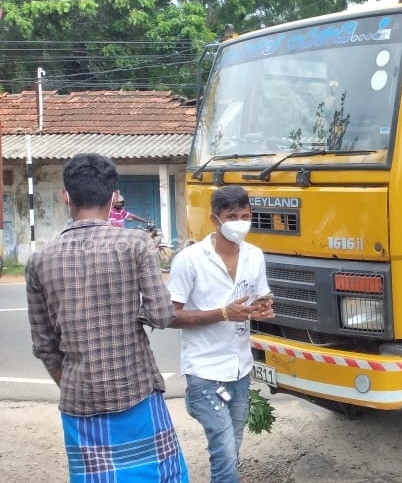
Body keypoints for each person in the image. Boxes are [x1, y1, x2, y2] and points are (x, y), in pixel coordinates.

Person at [25, 152, 189, 482]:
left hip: (79, 401)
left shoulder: (39, 260)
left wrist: (72, 380)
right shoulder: (136, 243)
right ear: (114, 197)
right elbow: (161, 315)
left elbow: (45, 346)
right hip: (137, 392)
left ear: (65, 198)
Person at [166, 185, 275, 482]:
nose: (240, 222)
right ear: (215, 220)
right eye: (232, 216)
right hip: (204, 370)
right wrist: (222, 313)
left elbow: (262, 297)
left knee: (233, 443)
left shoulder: (255, 256)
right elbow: (168, 316)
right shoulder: (189, 260)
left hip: (240, 368)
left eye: (245, 215)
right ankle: (197, 400)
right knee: (224, 448)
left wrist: (264, 309)